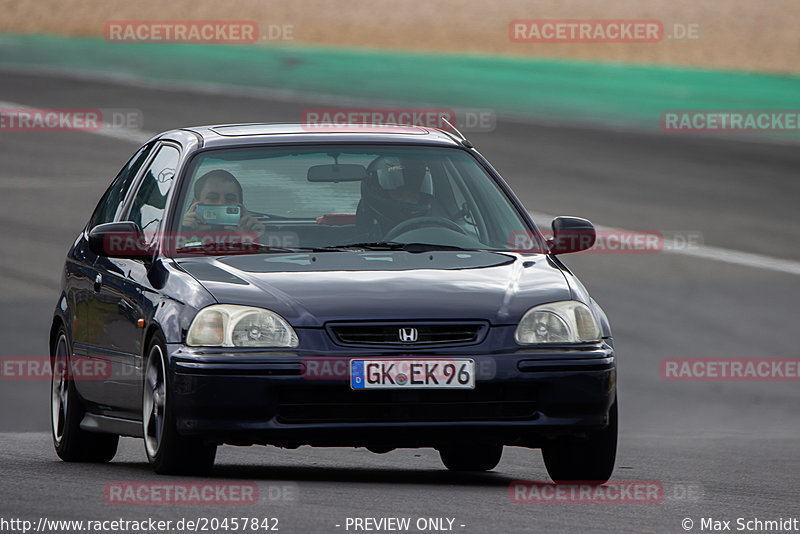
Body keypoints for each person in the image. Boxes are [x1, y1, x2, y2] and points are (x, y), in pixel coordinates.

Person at [356, 156, 434, 239]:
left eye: (412, 197)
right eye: (399, 195)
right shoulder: (352, 243)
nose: (407, 201)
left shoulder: (436, 237)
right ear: (379, 193)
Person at [181, 170, 265, 236]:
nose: (221, 203)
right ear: (195, 203)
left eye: (230, 199)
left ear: (241, 207)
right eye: (213, 198)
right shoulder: (180, 233)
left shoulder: (254, 235)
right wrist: (182, 231)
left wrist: (256, 239)